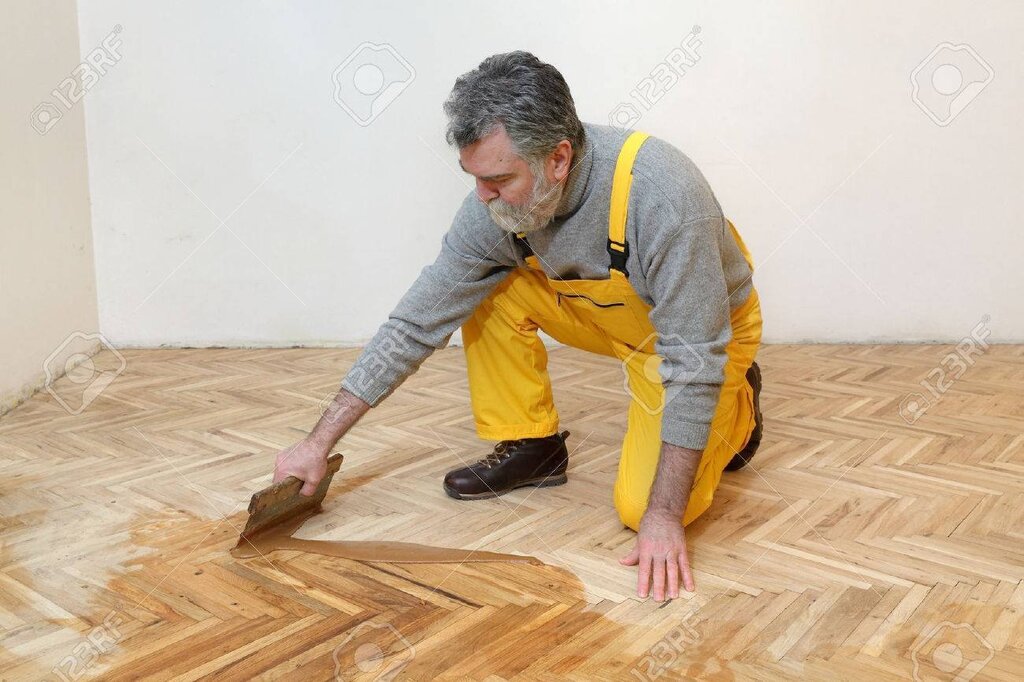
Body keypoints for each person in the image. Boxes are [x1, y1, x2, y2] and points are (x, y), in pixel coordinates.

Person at [273, 51, 763, 602]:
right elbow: (417, 321)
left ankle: (739, 415)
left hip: (697, 334)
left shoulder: (665, 197)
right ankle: (533, 445)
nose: (482, 197)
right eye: (475, 178)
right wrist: (317, 442)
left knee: (638, 508)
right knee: (480, 289)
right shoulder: (497, 207)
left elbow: (693, 360)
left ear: (559, 158)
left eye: (499, 179)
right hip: (602, 313)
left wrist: (665, 515)